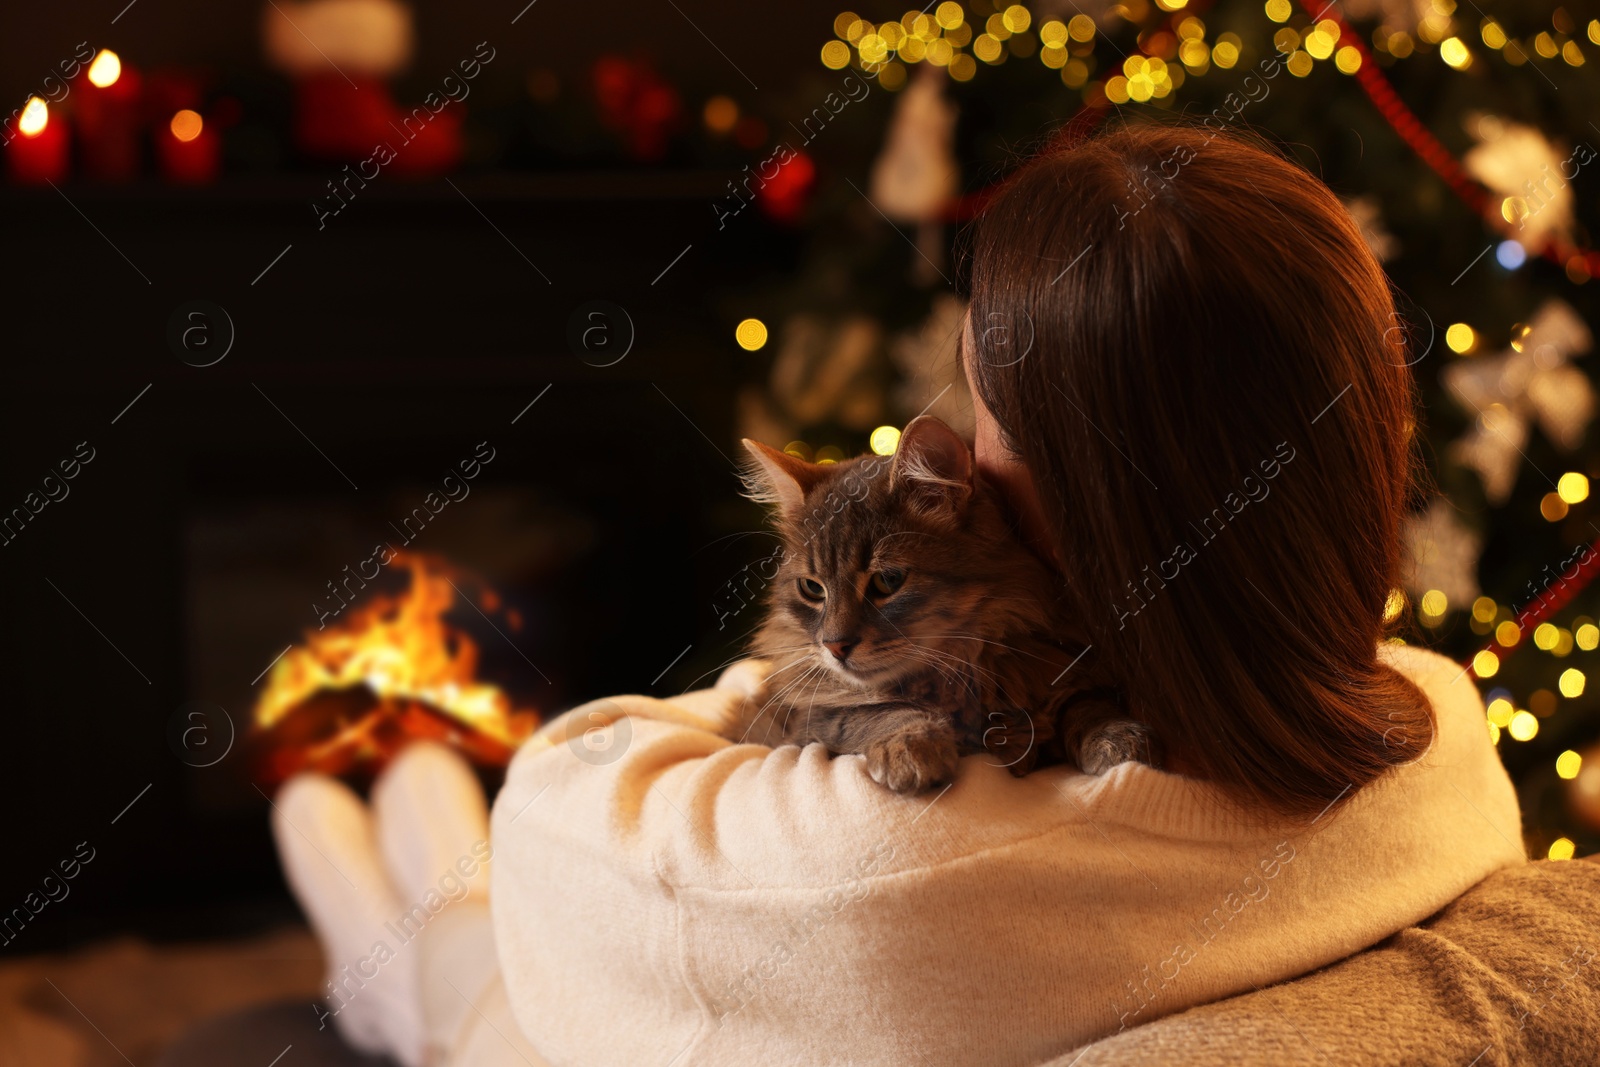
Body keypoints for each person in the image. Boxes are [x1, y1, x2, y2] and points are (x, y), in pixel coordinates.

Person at [270, 123, 1571, 1066]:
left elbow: (562, 818)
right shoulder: (1434, 738)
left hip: (540, 1025)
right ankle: (391, 863)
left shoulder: (905, 867)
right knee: (431, 864)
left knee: (458, 965)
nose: (936, 444)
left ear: (1089, 499)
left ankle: (380, 950)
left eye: (982, 410)